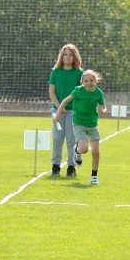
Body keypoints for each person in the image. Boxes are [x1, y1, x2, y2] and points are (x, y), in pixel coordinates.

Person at [55, 70, 106, 185]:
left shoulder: (98, 93)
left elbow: (103, 107)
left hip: (92, 125)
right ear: (82, 81)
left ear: (96, 81)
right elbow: (64, 101)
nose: (89, 83)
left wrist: (102, 110)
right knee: (84, 149)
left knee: (96, 152)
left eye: (91, 81)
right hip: (79, 123)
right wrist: (58, 114)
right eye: (86, 81)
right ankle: (76, 151)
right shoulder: (78, 91)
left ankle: (94, 176)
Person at [48, 44, 83, 177]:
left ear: (75, 57)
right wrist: (59, 106)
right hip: (57, 111)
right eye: (65, 54)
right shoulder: (55, 71)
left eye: (71, 54)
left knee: (71, 139)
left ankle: (71, 166)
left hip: (73, 111)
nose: (68, 57)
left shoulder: (79, 73)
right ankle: (55, 166)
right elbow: (52, 91)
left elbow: (80, 93)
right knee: (57, 139)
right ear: (61, 56)